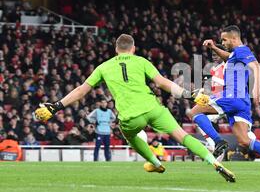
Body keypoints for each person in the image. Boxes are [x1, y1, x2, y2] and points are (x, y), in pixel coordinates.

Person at [34, 33, 235, 182]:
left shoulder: (103, 67)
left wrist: (56, 106)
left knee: (130, 135)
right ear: (133, 48)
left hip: (130, 116)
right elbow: (164, 83)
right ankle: (214, 162)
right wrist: (189, 95)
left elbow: (81, 91)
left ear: (116, 49)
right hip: (153, 108)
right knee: (182, 136)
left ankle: (156, 164)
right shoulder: (141, 61)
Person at [189, 25, 260, 160]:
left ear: (234, 38)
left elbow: (256, 66)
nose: (223, 43)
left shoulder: (242, 50)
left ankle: (218, 141)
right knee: (244, 140)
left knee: (194, 112)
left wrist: (257, 87)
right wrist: (214, 47)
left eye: (224, 40)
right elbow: (228, 57)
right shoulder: (236, 54)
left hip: (232, 95)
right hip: (242, 101)